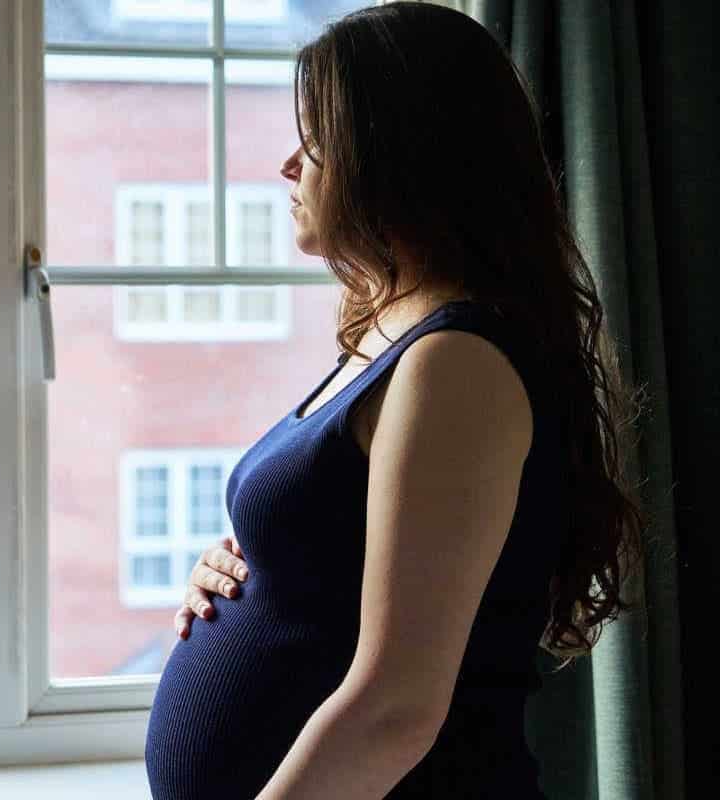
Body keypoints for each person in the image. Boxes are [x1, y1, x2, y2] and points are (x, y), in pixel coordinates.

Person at [143, 3, 646, 799]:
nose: (289, 166)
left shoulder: (458, 364)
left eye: (315, 140)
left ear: (394, 152)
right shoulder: (392, 332)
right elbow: (342, 562)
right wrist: (249, 573)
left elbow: (397, 707)